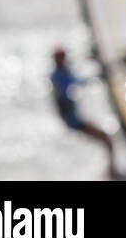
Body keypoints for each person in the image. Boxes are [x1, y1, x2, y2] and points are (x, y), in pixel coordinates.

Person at [49, 47, 117, 179]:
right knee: (107, 140)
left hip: (72, 120)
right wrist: (98, 77)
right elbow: (73, 84)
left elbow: (76, 82)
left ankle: (110, 172)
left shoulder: (61, 74)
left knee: (106, 141)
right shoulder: (60, 76)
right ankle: (110, 174)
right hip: (73, 121)